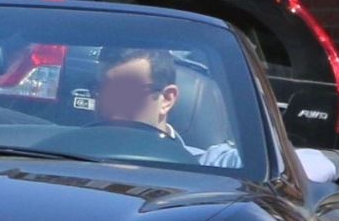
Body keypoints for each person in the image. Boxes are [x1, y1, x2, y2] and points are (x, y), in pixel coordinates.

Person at [93, 46, 240, 167]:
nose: (108, 104)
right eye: (99, 89)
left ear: (167, 100)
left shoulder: (206, 166)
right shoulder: (72, 158)